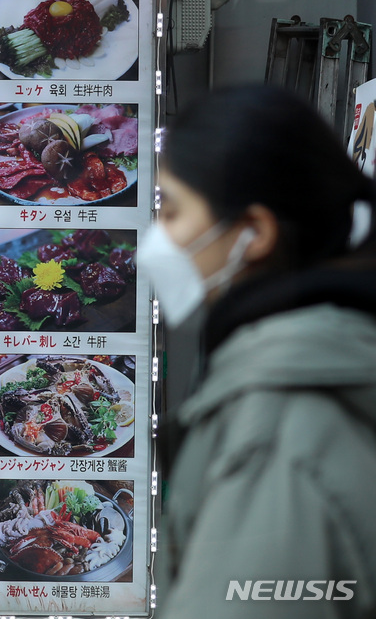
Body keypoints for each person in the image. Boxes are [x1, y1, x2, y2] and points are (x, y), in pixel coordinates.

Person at [137, 85, 376, 618]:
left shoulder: (277, 427)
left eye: (171, 212)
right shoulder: (331, 352)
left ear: (254, 232)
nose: (154, 240)